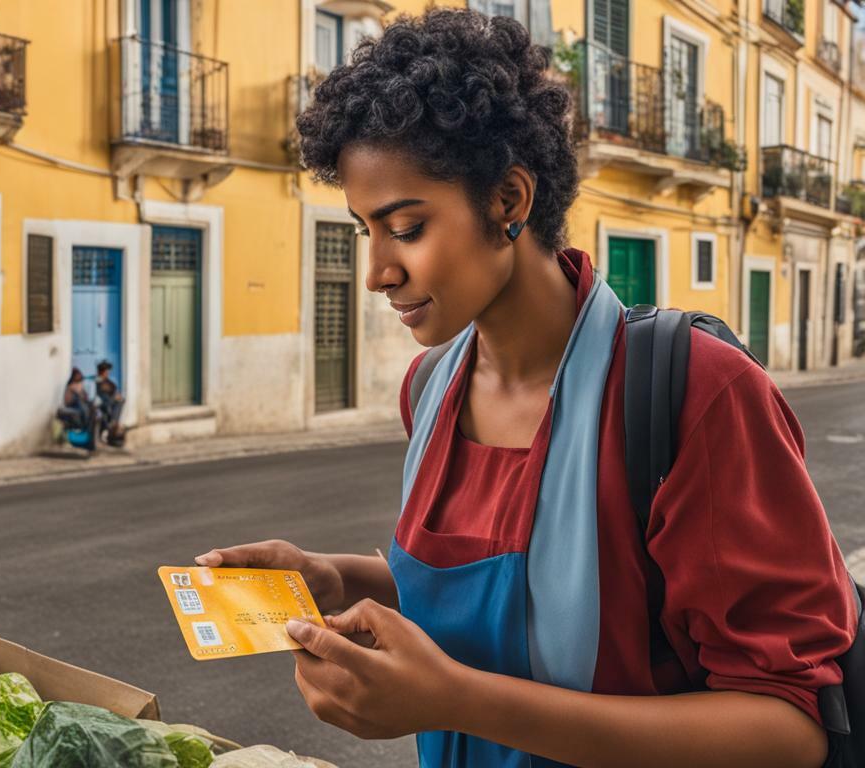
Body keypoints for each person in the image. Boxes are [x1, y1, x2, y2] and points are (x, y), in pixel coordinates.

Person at [195, 10, 855, 768]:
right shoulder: (430, 388)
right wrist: (338, 578)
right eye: (362, 231)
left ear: (508, 200)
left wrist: (455, 701)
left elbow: (786, 729)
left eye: (405, 228)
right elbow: (517, 601)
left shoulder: (697, 395)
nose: (378, 271)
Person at [56, 367, 95, 438]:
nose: (79, 377)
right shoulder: (72, 385)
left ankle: (86, 428)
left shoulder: (79, 385)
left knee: (88, 407)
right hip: (71, 406)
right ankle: (84, 428)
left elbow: (85, 397)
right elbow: (78, 395)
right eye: (77, 375)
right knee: (81, 406)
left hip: (78, 407)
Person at [95, 360, 125, 446]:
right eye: (106, 371)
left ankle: (113, 423)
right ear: (102, 371)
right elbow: (102, 394)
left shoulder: (107, 381)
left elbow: (113, 389)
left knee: (120, 401)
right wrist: (113, 397)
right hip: (103, 404)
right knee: (112, 405)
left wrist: (116, 396)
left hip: (110, 403)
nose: (107, 373)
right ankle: (113, 424)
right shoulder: (98, 381)